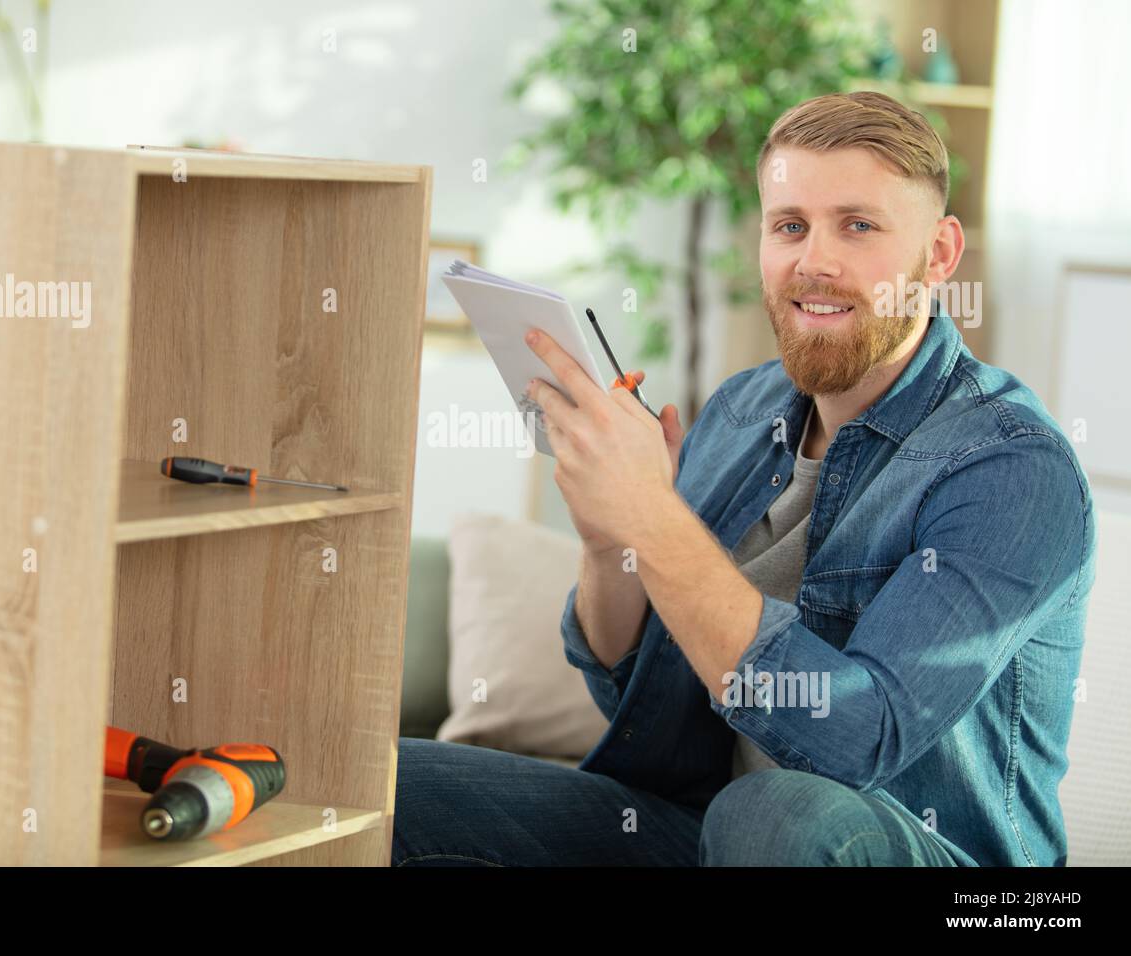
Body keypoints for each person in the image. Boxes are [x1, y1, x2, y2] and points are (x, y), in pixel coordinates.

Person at [392, 91, 1094, 867]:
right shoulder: (740, 411)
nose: (813, 261)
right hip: (700, 830)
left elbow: (855, 737)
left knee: (774, 816)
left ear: (939, 255)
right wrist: (609, 539)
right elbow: (630, 701)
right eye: (788, 225)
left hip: (921, 861)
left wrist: (654, 518)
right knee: (390, 784)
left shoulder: (1011, 465)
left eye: (858, 226)